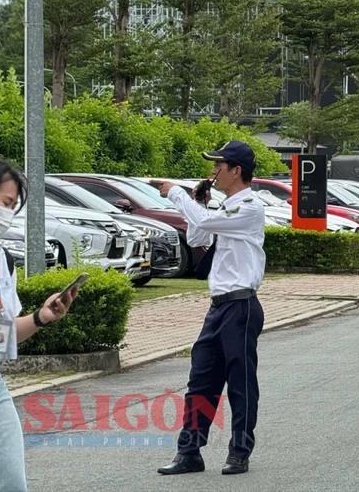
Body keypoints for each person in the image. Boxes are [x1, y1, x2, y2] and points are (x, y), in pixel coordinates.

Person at [157, 141, 266, 477]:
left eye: (219, 165)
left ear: (237, 170)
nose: (213, 170)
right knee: (200, 381)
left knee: (240, 384)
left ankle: (239, 452)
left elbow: (204, 221)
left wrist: (177, 194)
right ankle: (189, 452)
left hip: (241, 305)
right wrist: (199, 202)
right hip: (218, 307)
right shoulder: (225, 208)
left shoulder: (249, 206)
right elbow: (196, 236)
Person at [0, 157, 79, 492]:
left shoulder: (1, 259)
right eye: (5, 203)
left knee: (8, 483)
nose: (9, 213)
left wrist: (41, 317)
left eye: (13, 207)